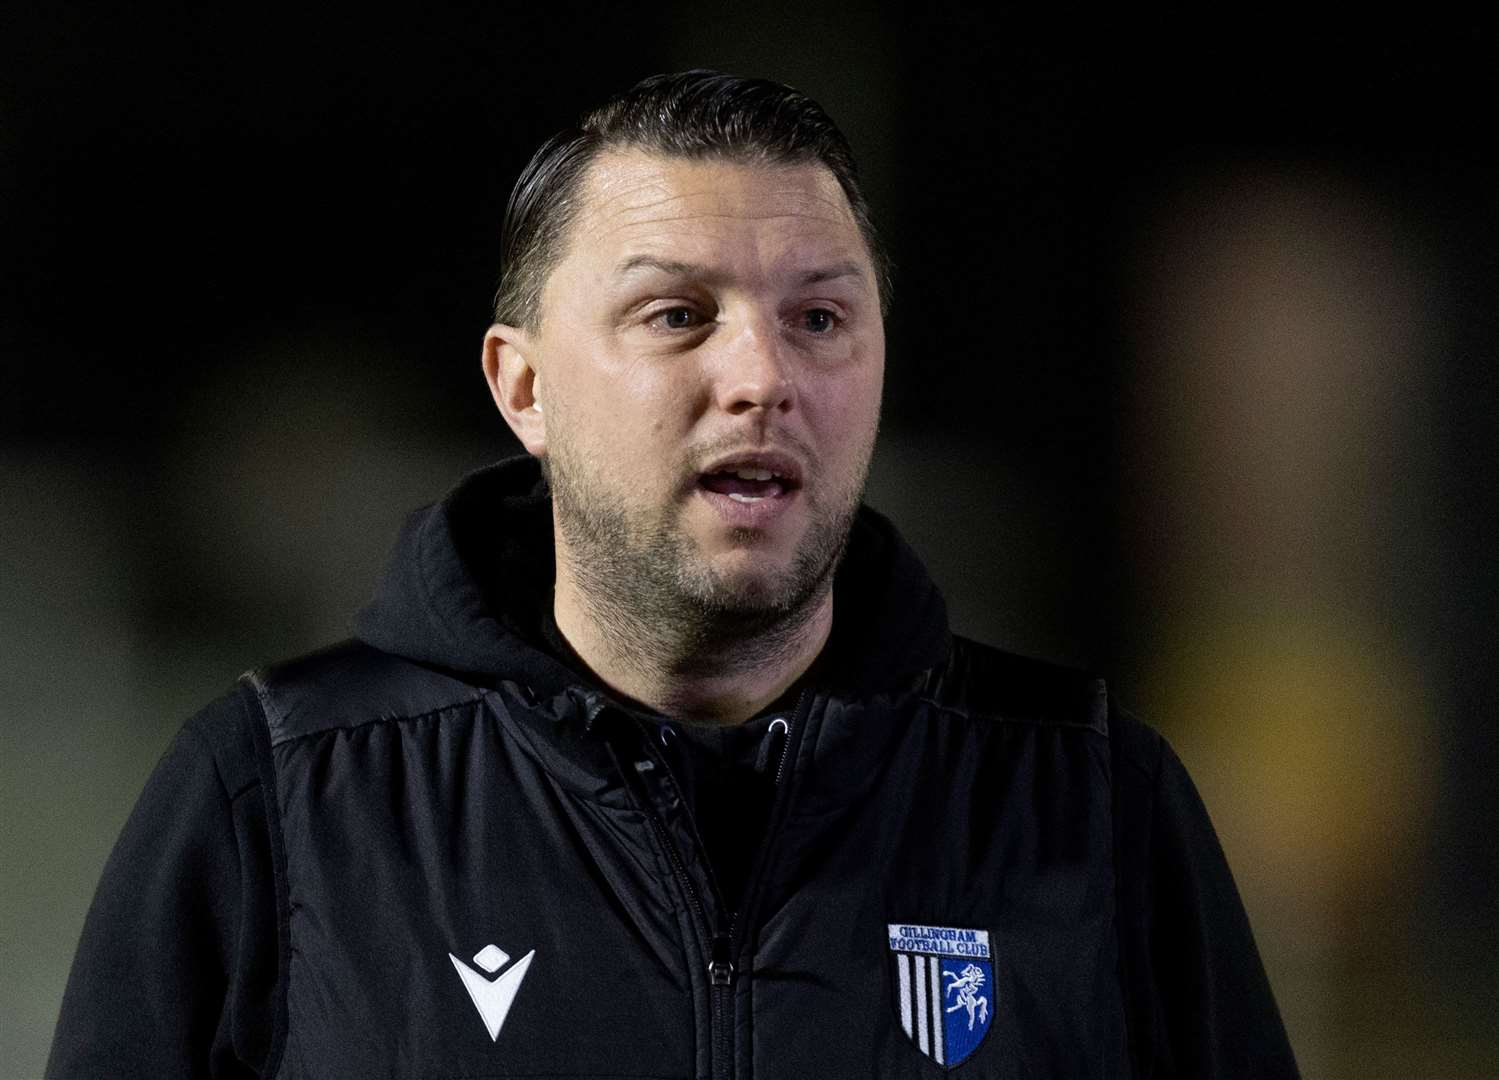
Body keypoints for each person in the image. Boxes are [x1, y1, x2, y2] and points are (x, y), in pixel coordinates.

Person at [48, 71, 1298, 1078]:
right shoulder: (278, 794)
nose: (760, 378)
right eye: (676, 315)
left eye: (819, 317)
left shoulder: (1089, 798)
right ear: (521, 386)